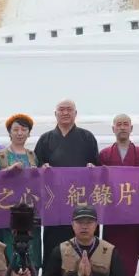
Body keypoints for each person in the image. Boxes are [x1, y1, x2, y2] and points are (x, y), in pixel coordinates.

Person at [34, 99, 99, 257]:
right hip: (54, 202)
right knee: (53, 246)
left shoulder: (87, 137)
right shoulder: (45, 139)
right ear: (55, 114)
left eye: (69, 109)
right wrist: (42, 168)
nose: (65, 113)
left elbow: (97, 167)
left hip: (81, 201)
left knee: (83, 245)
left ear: (75, 113)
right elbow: (36, 169)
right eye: (61, 110)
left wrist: (93, 168)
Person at [98, 113, 139, 276]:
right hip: (113, 213)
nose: (122, 127)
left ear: (131, 128)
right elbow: (98, 183)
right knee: (113, 249)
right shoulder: (105, 154)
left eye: (125, 124)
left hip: (137, 213)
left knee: (138, 249)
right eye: (119, 124)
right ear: (113, 128)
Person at [0, 113, 44, 268]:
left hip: (30, 213)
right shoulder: (0, 156)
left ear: (29, 133)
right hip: (7, 214)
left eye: (24, 130)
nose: (20, 133)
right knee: (8, 255)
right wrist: (8, 171)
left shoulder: (32, 156)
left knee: (32, 255)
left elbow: (39, 185)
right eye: (16, 129)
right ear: (9, 133)